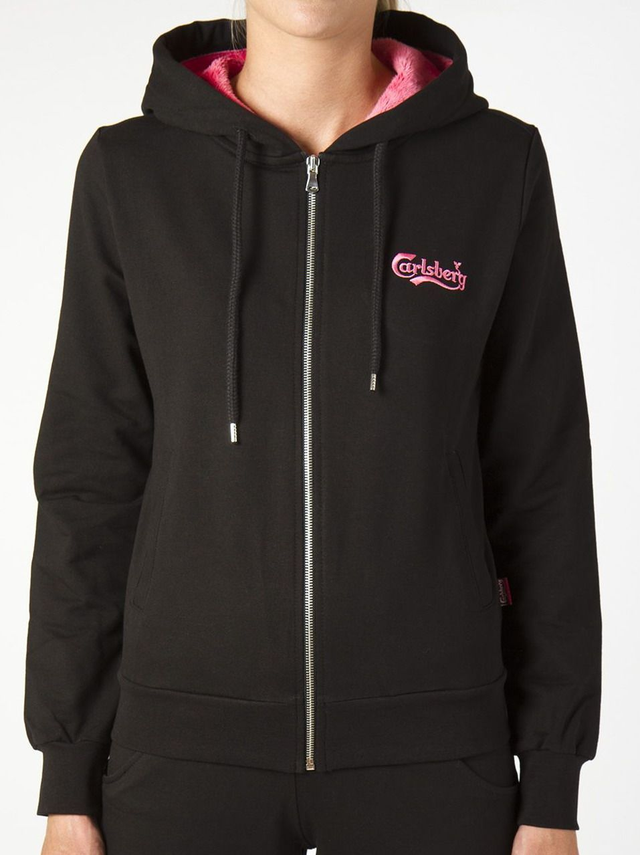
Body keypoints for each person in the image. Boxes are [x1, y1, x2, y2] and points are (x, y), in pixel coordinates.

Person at [25, 2, 602, 854]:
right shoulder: (130, 170)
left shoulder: (494, 163)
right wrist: (68, 774)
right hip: (182, 755)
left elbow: (542, 477)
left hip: (435, 753)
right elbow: (90, 483)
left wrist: (552, 782)